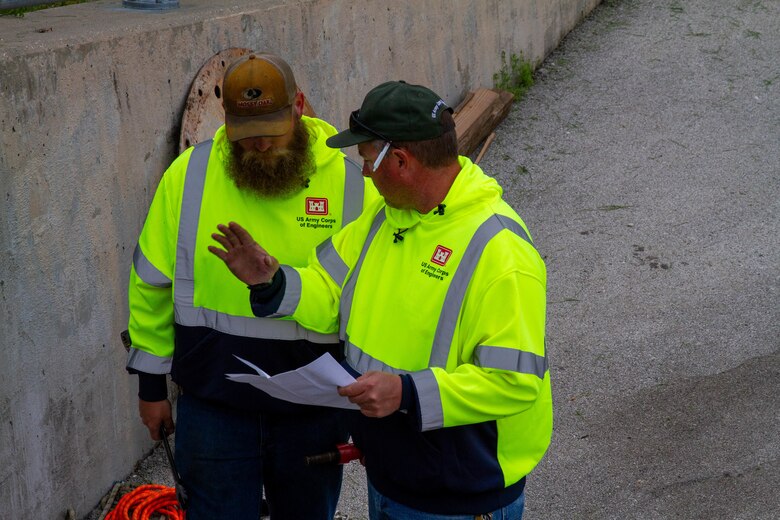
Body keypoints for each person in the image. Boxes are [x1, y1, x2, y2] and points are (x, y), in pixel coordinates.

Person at [209, 80, 553, 519]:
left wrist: (407, 392)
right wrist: (273, 284)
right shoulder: (383, 217)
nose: (365, 172)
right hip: (391, 477)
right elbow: (330, 289)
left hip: (459, 498)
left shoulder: (500, 252)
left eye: (368, 158)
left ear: (403, 160)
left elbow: (514, 381)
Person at [125, 52, 377, 519]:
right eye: (246, 135)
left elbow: (375, 298)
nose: (259, 146)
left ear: (299, 105)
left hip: (312, 415)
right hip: (214, 409)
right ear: (226, 119)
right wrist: (151, 386)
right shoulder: (189, 177)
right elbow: (150, 283)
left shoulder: (353, 186)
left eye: (271, 132)